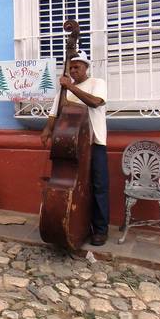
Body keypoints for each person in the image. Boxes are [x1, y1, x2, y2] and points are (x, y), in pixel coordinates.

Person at [40, 50, 109, 246]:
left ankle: (101, 229)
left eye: (77, 67)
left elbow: (96, 103)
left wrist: (70, 86)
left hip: (95, 142)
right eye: (70, 68)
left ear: (86, 67)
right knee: (73, 185)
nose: (73, 71)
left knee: (98, 186)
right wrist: (47, 130)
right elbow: (54, 113)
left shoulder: (97, 83)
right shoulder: (64, 89)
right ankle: (77, 223)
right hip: (72, 144)